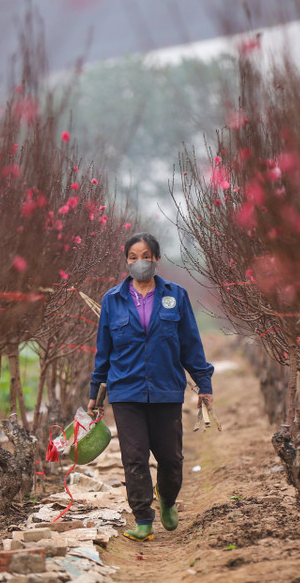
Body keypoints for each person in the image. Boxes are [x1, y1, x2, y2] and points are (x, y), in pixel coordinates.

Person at [88, 232, 214, 541]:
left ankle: (167, 498)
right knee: (134, 457)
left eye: (146, 256)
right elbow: (103, 352)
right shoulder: (112, 300)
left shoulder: (176, 296)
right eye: (133, 257)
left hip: (166, 390)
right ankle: (143, 518)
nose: (139, 262)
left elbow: (190, 344)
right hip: (126, 391)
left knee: (171, 459)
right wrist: (95, 395)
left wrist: (204, 385)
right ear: (126, 261)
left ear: (156, 259)